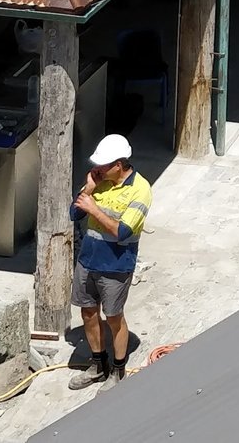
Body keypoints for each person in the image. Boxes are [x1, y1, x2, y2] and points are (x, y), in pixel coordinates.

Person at [67, 134, 151, 389]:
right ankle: (97, 364)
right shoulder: (98, 181)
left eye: (103, 165)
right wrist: (89, 189)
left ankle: (117, 370)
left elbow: (122, 231)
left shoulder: (141, 190)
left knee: (114, 317)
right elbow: (74, 213)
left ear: (119, 164)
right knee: (88, 312)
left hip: (115, 266)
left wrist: (94, 209)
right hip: (88, 261)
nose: (97, 169)